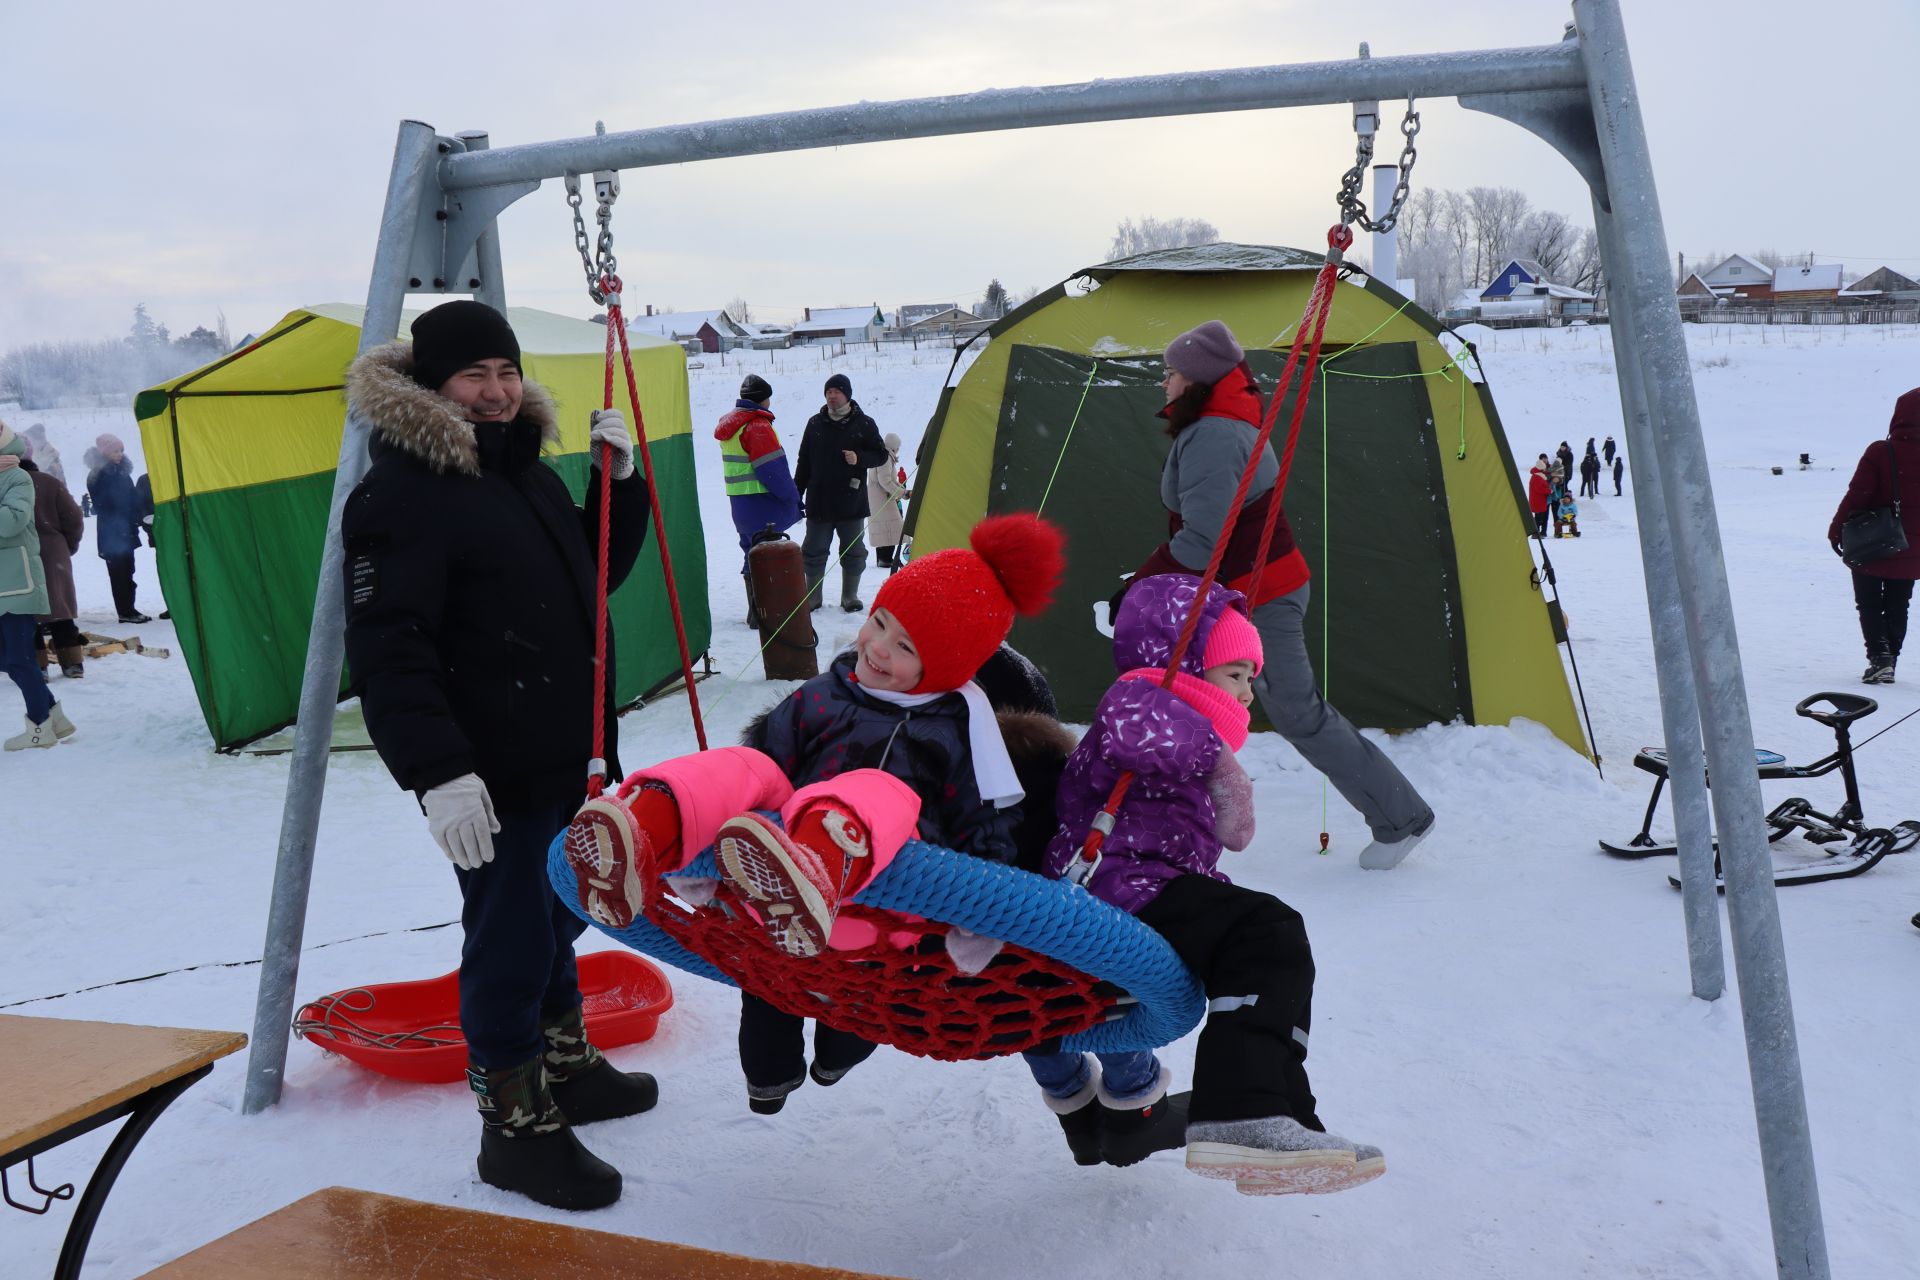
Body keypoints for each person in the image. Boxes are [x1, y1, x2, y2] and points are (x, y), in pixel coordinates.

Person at [564, 514, 1064, 1111]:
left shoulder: (957, 734)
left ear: (950, 665)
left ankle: (833, 1045)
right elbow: (763, 762)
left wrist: (977, 913)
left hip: (879, 908)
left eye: (905, 647)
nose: (877, 649)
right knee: (739, 769)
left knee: (876, 797)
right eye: (879, 623)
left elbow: (988, 821)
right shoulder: (826, 692)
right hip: (775, 885)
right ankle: (652, 831)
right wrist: (708, 838)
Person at [341, 300, 657, 1211]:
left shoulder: (522, 472)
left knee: (561, 919)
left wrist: (620, 486)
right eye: (473, 376)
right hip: (488, 771)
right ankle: (514, 1130)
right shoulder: (401, 493)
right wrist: (438, 772)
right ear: (432, 386)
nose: (496, 391)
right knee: (511, 941)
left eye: (507, 373)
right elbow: (388, 644)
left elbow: (596, 573)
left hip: (566, 752)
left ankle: (568, 1067)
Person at [1033, 574, 1382, 1194]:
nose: (1250, 692)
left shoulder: (1175, 720)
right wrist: (1223, 770)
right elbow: (1142, 733)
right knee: (1266, 930)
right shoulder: (1140, 697)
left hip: (1142, 882)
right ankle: (1245, 1110)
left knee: (1262, 942)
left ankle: (1284, 1115)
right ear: (1184, 663)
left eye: (1251, 677)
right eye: (1237, 674)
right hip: (1108, 884)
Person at [1128, 320, 1433, 870]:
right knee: (1189, 703)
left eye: (1170, 374)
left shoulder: (1217, 436)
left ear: (1195, 381)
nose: (1164, 385)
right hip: (1239, 593)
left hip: (1263, 593)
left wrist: (1142, 585)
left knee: (1297, 713)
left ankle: (1401, 818)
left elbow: (1205, 540)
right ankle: (1170, 826)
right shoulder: (1215, 426)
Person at [1828, 387, 1920, 684]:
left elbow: (1858, 495)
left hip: (1872, 540)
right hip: (1911, 545)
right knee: (1899, 603)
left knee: (1868, 602)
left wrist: (1836, 528)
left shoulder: (1881, 452)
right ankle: (1889, 658)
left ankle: (1879, 658)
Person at [0, 423, 74, 750]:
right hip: (5, 585)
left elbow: (12, 520)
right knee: (10, 658)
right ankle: (53, 715)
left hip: (17, 584)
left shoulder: (18, 478)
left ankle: (40, 727)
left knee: (18, 659)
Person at [794, 373, 887, 612]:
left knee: (854, 552)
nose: (831, 396)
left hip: (851, 501)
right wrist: (797, 492)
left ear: (847, 395)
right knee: (813, 551)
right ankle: (813, 597)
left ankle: (850, 596)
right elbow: (803, 460)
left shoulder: (864, 423)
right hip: (819, 500)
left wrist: (859, 459)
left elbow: (881, 455)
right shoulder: (815, 423)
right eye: (828, 392)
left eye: (836, 391)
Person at [715, 373, 802, 626]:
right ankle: (768, 612)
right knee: (768, 553)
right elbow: (771, 469)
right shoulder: (757, 426)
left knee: (751, 551)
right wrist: (792, 496)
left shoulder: (731, 425)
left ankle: (756, 611)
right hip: (762, 503)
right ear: (765, 399)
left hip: (740, 504)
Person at [23, 443, 86, 679]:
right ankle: (72, 664)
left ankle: (37, 667)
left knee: (27, 614)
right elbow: (74, 518)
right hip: (53, 553)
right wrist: (66, 545)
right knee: (61, 610)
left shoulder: (6, 485)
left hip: (18, 556)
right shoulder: (49, 483)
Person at [86, 433, 149, 624]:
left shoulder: (121, 472)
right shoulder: (99, 474)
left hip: (125, 529)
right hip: (111, 532)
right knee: (119, 574)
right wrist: (124, 510)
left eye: (121, 450)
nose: (119, 454)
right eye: (115, 450)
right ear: (105, 452)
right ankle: (125, 611)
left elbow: (132, 496)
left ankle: (130, 608)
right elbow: (103, 503)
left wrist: (138, 514)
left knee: (129, 570)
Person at [867, 432, 908, 570]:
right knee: (891, 526)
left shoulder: (881, 456)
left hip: (877, 498)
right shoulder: (885, 458)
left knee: (882, 527)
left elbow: (891, 480)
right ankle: (886, 559)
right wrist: (902, 493)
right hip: (883, 499)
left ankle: (882, 559)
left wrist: (903, 491)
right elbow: (885, 481)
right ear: (894, 447)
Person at [23, 424, 66, 490]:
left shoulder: (51, 459)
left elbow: (62, 487)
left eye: (28, 441)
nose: (27, 445)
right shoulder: (31, 457)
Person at [1528, 457, 1552, 539]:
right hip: (1538, 500)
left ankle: (1537, 532)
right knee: (1538, 517)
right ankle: (1536, 533)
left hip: (1538, 499)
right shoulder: (1537, 477)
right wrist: (1549, 491)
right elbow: (1539, 489)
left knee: (1539, 516)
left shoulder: (1537, 475)